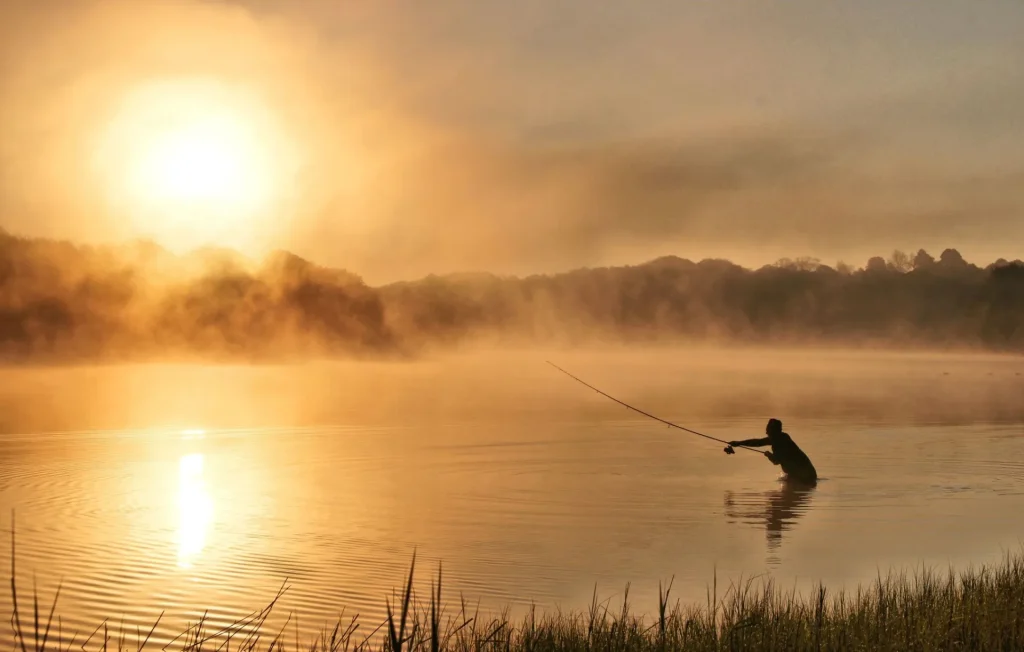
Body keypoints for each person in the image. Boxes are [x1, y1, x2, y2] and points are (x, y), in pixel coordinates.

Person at [726, 418, 817, 486]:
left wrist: (769, 455)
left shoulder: (782, 441)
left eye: (768, 431)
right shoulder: (778, 438)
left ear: (776, 432)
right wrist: (738, 443)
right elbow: (758, 442)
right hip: (802, 476)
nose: (766, 432)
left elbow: (776, 461)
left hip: (805, 477)